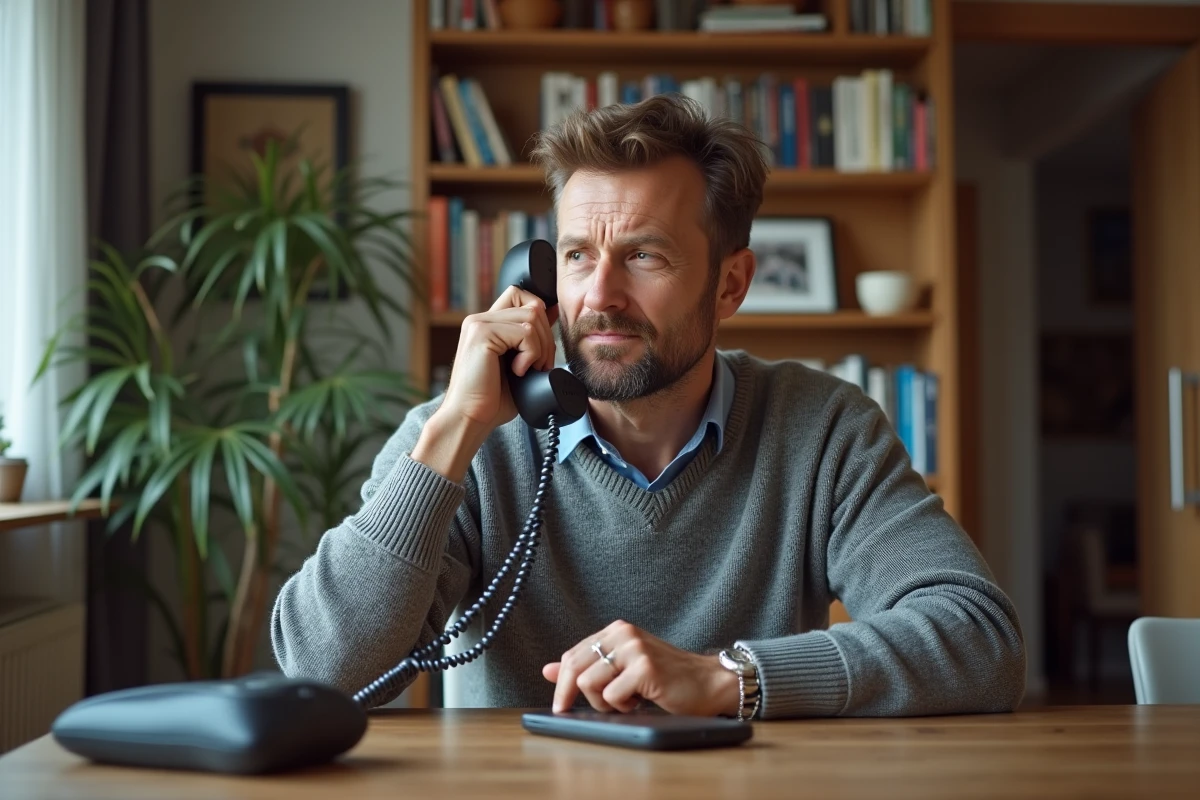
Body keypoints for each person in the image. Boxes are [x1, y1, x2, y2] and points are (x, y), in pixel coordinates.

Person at [271, 94, 1025, 720]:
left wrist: (730, 678)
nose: (599, 297)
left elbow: (979, 639)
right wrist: (453, 435)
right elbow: (319, 677)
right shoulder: (467, 438)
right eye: (576, 256)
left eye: (644, 255)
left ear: (730, 285)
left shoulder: (822, 428)